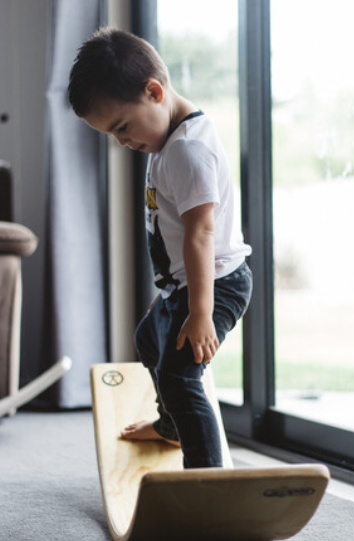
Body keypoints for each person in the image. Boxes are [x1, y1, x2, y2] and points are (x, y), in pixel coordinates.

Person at [68, 28, 252, 468]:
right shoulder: (165, 137)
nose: (122, 142)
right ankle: (170, 427)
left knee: (180, 378)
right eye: (111, 134)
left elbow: (201, 233)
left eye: (122, 127)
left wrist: (200, 311)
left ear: (154, 91)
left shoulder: (188, 149)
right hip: (184, 286)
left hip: (216, 285)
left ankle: (206, 477)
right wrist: (174, 292)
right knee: (148, 343)